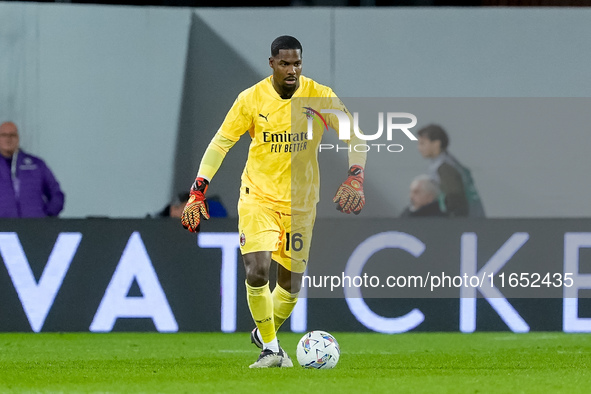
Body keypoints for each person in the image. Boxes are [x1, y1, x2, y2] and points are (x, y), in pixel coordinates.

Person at [180, 36, 366, 368]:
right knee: (257, 271)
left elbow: (355, 135)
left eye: (297, 63)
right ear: (272, 64)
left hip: (301, 204)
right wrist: (198, 190)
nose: (292, 70)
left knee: (290, 285)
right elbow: (221, 142)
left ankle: (265, 333)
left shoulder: (320, 96)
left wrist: (355, 175)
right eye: (285, 63)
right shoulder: (251, 99)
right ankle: (271, 349)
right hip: (258, 198)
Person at [417, 124, 485, 218]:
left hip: (464, 221)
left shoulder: (445, 168)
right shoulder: (448, 162)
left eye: (422, 143)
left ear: (436, 144)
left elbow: (455, 198)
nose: (419, 148)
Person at [0, 121, 65, 218]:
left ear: (18, 138)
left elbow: (56, 194)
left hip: (33, 228)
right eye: (4, 135)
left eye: (12, 135)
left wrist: (47, 216)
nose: (8, 139)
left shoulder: (36, 165)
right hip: (3, 228)